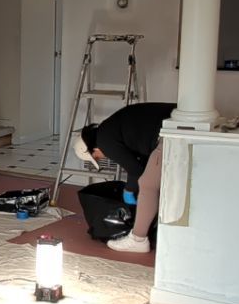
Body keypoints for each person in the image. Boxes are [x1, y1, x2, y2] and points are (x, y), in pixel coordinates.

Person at [75, 100, 176, 254]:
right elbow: (140, 162)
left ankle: (138, 240)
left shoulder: (105, 141)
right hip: (172, 123)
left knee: (147, 184)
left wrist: (129, 190)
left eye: (96, 157)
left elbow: (135, 170)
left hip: (169, 131)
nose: (101, 159)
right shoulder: (109, 128)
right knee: (153, 181)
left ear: (93, 149)